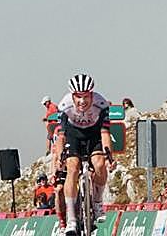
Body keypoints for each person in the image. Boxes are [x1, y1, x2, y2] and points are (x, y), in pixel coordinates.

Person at [57, 73, 111, 235]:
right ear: (72, 96)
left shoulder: (101, 104)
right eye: (78, 97)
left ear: (92, 95)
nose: (82, 101)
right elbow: (61, 136)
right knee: (72, 168)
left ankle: (97, 202)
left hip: (94, 135)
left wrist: (109, 155)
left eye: (86, 96)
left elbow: (105, 132)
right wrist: (61, 156)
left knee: (100, 164)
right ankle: (72, 219)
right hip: (74, 136)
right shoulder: (64, 106)